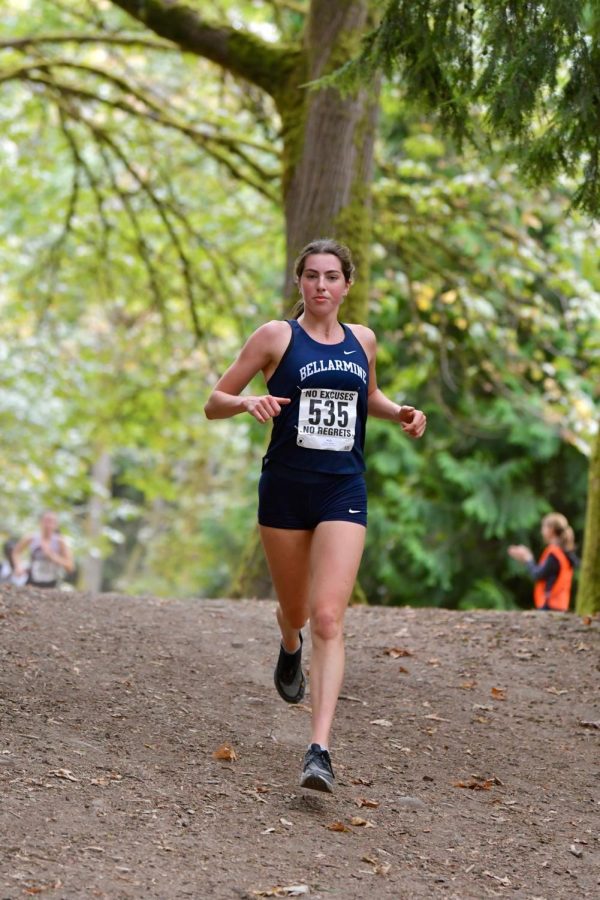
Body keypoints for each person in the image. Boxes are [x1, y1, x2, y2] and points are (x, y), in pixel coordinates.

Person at [204, 238, 427, 793]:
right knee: (297, 610)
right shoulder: (276, 337)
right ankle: (288, 646)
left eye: (332, 277)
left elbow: (367, 395)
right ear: (300, 283)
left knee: (329, 618)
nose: (321, 286)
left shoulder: (363, 341)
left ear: (347, 285)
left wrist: (398, 410)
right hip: (284, 491)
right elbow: (213, 401)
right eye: (312, 276)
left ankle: (319, 750)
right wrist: (246, 402)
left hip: (341, 490)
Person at [508, 512, 579, 612]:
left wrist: (528, 558)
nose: (541, 531)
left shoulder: (554, 554)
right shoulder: (565, 553)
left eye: (543, 527)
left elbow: (538, 574)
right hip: (561, 604)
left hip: (549, 604)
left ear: (551, 530)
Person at [12, 511, 75, 589]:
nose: (48, 525)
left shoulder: (60, 542)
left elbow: (70, 566)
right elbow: (16, 552)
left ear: (56, 524)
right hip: (32, 580)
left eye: (52, 521)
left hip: (53, 583)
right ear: (40, 522)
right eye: (46, 521)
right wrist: (18, 566)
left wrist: (52, 557)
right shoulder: (31, 538)